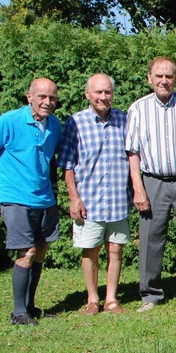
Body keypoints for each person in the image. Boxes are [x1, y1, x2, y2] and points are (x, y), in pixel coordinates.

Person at [0, 78, 61, 325]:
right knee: (27, 250)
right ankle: (18, 311)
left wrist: (54, 190)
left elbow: (51, 159)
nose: (47, 102)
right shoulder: (9, 121)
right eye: (42, 96)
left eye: (52, 98)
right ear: (29, 96)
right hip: (15, 198)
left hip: (45, 199)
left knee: (41, 250)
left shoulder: (54, 125)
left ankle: (30, 306)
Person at [126, 56, 176, 312]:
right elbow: (132, 152)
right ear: (149, 78)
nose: (164, 81)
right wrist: (138, 188)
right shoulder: (138, 109)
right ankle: (150, 294)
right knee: (150, 239)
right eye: (159, 76)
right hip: (152, 181)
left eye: (169, 76)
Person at [57, 74, 131, 315]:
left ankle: (111, 298)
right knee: (90, 251)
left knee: (116, 250)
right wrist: (74, 198)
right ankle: (92, 298)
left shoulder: (124, 119)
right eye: (98, 92)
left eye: (107, 92)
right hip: (89, 200)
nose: (103, 97)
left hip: (119, 199)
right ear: (87, 94)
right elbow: (67, 164)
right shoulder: (75, 122)